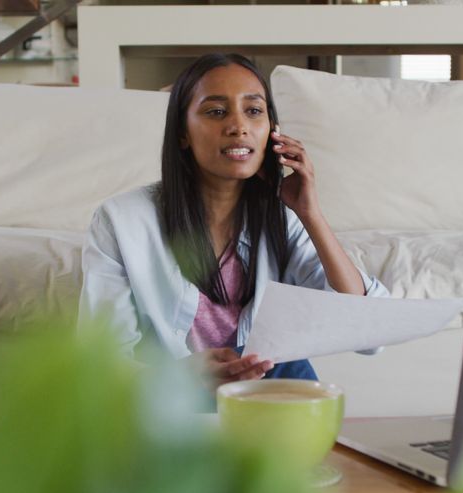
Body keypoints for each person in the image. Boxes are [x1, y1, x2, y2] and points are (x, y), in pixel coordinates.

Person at [79, 53, 389, 386]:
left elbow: (371, 334)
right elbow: (101, 362)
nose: (238, 126)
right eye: (216, 112)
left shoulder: (283, 219)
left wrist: (310, 214)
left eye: (254, 111)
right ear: (182, 132)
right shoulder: (122, 221)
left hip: (257, 393)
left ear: (272, 129)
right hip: (167, 394)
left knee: (288, 364)